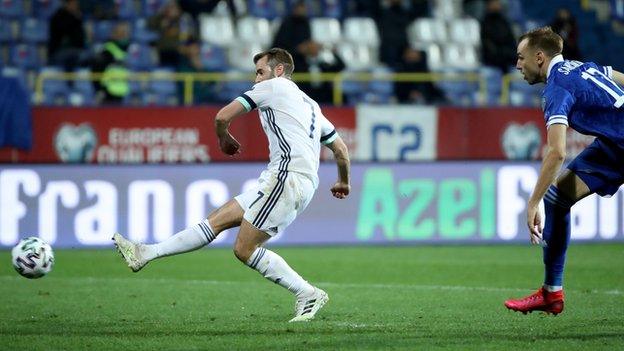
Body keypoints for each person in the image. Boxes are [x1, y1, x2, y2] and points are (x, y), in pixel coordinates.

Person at [112, 48, 352, 322]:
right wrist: (343, 182)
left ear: (279, 70)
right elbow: (341, 149)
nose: (256, 79)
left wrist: (223, 138)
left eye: (260, 71)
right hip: (289, 179)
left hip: (287, 177)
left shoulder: (273, 88)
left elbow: (222, 116)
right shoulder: (311, 104)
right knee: (216, 221)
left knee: (244, 249)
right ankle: (145, 253)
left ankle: (307, 293)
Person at [504, 26, 624, 315]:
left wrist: (531, 201)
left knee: (547, 200)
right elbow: (620, 78)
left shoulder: (557, 88)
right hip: (614, 147)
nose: (518, 64)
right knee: (557, 199)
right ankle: (551, 293)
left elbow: (556, 152)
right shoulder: (580, 67)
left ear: (540, 57)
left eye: (521, 57)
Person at [91, 22, 131, 104]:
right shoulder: (107, 50)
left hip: (121, 91)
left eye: (125, 33)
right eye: (121, 33)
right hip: (108, 92)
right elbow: (95, 70)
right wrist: (99, 90)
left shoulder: (125, 50)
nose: (124, 35)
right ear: (114, 34)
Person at [48, 0, 87, 71]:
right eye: (73, 3)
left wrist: (77, 18)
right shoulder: (58, 17)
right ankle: (70, 80)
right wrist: (75, 17)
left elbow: (81, 39)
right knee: (71, 56)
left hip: (77, 51)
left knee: (90, 55)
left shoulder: (77, 17)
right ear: (67, 4)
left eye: (76, 4)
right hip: (59, 52)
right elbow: (62, 35)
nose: (75, 6)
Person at [480, 0, 516, 74]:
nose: (498, 5)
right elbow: (487, 43)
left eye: (498, 2)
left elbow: (510, 40)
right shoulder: (485, 22)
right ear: (489, 5)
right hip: (493, 57)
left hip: (507, 56)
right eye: (495, 3)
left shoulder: (504, 21)